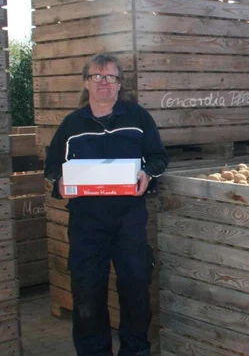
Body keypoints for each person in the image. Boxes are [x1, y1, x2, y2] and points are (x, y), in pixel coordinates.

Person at [44, 53, 168, 356]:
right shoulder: (71, 125)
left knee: (136, 290)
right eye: (97, 77)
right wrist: (59, 184)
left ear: (119, 84)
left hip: (129, 221)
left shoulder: (138, 119)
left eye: (110, 77)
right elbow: (51, 167)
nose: (104, 82)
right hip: (87, 224)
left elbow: (159, 157)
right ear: (86, 83)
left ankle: (135, 351)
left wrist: (147, 173)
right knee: (87, 295)